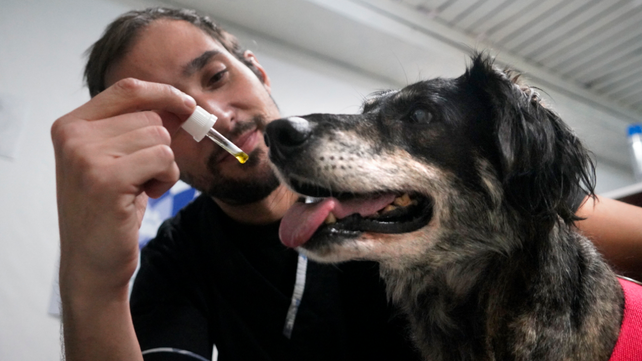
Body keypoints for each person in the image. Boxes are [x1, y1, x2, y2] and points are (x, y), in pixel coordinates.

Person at [51, 7, 642, 361]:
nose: (218, 117)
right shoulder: (179, 261)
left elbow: (577, 221)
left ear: (257, 71)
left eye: (215, 76)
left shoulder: (398, 167)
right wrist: (91, 275)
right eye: (173, 117)